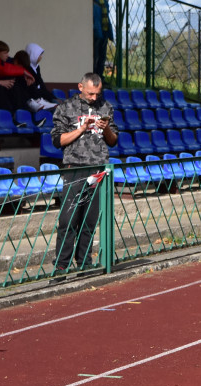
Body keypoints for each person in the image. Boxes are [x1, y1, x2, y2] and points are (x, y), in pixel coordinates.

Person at [49, 72, 117, 282]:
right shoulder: (65, 108)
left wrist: (105, 130)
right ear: (80, 87)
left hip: (98, 168)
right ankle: (61, 266)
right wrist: (81, 129)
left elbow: (114, 140)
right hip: (74, 167)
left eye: (97, 94)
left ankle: (85, 262)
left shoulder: (105, 107)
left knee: (90, 219)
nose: (94, 98)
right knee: (68, 220)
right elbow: (57, 140)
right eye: (90, 94)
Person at [93, 0, 113, 80]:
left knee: (102, 57)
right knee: (96, 56)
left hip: (104, 31)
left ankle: (99, 77)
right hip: (97, 31)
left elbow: (106, 18)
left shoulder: (105, 2)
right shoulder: (94, 2)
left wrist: (109, 32)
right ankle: (94, 77)